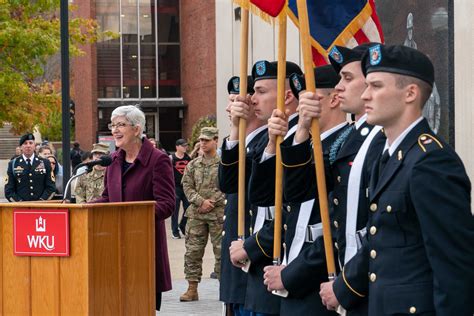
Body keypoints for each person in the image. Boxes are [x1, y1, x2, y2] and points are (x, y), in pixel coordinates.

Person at [321, 44, 474, 315]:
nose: (366, 95)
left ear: (410, 93)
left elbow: (454, 267)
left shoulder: (431, 162)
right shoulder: (390, 154)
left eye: (376, 86)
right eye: (366, 85)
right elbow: (381, 238)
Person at [250, 65, 346, 315]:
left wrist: (292, 273)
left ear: (333, 99)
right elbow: (264, 195)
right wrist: (274, 142)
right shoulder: (303, 144)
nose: (301, 108)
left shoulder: (343, 146)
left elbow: (336, 227)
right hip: (290, 272)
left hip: (317, 279)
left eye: (308, 99)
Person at [225, 60, 302, 316]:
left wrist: (251, 246)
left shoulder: (296, 143)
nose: (251, 100)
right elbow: (230, 183)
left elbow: (289, 210)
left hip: (273, 263)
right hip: (251, 265)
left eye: (260, 91)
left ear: (287, 96)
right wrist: (236, 130)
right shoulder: (261, 142)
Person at [93, 105, 175, 311]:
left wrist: (129, 214)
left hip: (143, 248)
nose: (114, 130)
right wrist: (85, 208)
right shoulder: (112, 161)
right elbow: (107, 198)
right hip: (112, 247)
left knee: (138, 307)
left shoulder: (158, 160)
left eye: (121, 125)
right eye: (113, 125)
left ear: (137, 129)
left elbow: (167, 205)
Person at [219, 75, 268, 315]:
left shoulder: (267, 144)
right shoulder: (241, 144)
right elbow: (227, 185)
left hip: (253, 261)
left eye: (235, 101)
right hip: (237, 270)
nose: (230, 108)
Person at [180, 127, 225, 302]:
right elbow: (187, 186)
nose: (203, 143)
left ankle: (224, 288)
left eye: (207, 140)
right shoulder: (193, 164)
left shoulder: (223, 163)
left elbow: (227, 186)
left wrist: (211, 202)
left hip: (218, 214)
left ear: (216, 140)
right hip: (196, 214)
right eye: (201, 140)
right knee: (192, 252)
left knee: (221, 252)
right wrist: (200, 202)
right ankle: (192, 289)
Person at [4, 133, 56, 202]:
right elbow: (9, 190)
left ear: (34, 146)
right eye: (25, 143)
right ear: (21, 147)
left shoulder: (45, 162)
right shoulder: (13, 164)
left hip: (40, 207)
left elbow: (51, 188)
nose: (28, 145)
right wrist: (20, 202)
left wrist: (41, 201)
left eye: (31, 143)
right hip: (21, 208)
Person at [170, 138, 192, 238]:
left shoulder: (188, 158)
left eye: (186, 146)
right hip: (175, 187)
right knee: (175, 210)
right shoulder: (171, 158)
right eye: (183, 146)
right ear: (177, 147)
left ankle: (182, 226)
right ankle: (175, 231)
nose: (185, 148)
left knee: (189, 208)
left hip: (186, 187)